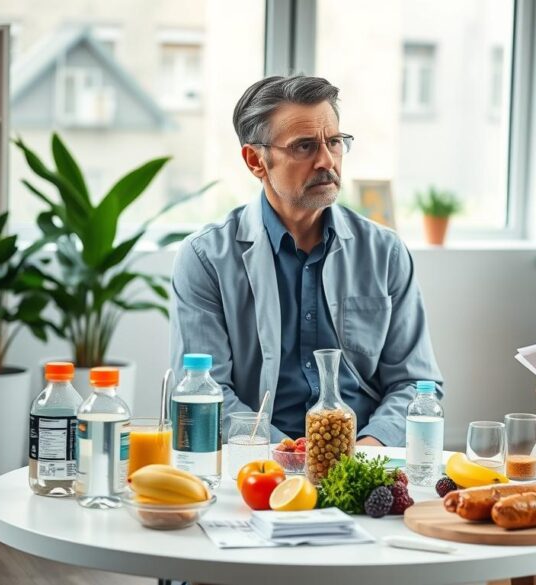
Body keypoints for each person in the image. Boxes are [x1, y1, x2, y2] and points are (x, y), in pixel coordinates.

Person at [170, 75, 443, 446]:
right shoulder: (206, 258)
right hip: (259, 461)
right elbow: (205, 392)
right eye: (304, 147)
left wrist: (371, 446)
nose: (326, 161)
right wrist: (283, 452)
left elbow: (415, 382)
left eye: (334, 142)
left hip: (364, 460)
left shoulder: (385, 252)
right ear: (255, 160)